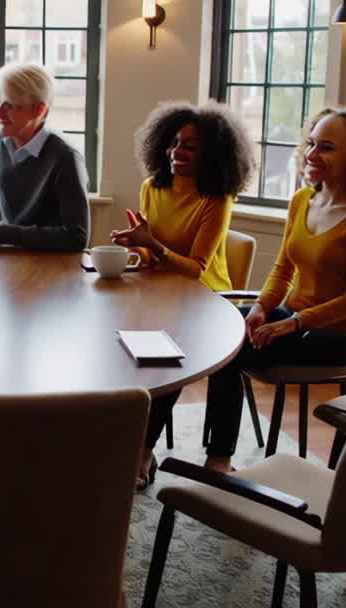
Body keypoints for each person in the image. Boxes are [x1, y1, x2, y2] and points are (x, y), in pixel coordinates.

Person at [203, 107, 346, 473]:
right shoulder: (302, 200)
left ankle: (219, 459)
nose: (311, 154)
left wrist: (291, 323)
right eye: (311, 144)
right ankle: (192, 452)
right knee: (223, 331)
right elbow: (283, 268)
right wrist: (262, 308)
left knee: (233, 350)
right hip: (294, 319)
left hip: (339, 335)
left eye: (326, 147)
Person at [109, 102, 255, 490]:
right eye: (174, 143)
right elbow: (150, 254)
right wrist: (135, 247)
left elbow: (196, 268)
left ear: (212, 154)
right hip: (161, 295)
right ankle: (136, 444)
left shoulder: (216, 198)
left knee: (170, 358)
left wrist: (151, 245)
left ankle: (214, 457)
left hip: (210, 300)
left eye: (190, 146)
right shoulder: (152, 187)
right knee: (135, 348)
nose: (178, 152)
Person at [0, 63, 90, 251]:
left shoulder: (66, 157)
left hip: (54, 261)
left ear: (39, 110)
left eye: (9, 106)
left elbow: (76, 237)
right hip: (11, 255)